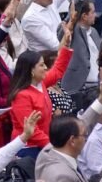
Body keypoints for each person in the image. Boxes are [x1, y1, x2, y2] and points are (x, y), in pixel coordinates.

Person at [8, 25, 73, 156]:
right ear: (31, 70)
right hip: (28, 149)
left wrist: (66, 45)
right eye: (41, 65)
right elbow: (32, 131)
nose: (45, 68)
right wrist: (53, 147)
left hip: (45, 145)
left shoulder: (40, 83)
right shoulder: (21, 96)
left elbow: (58, 70)